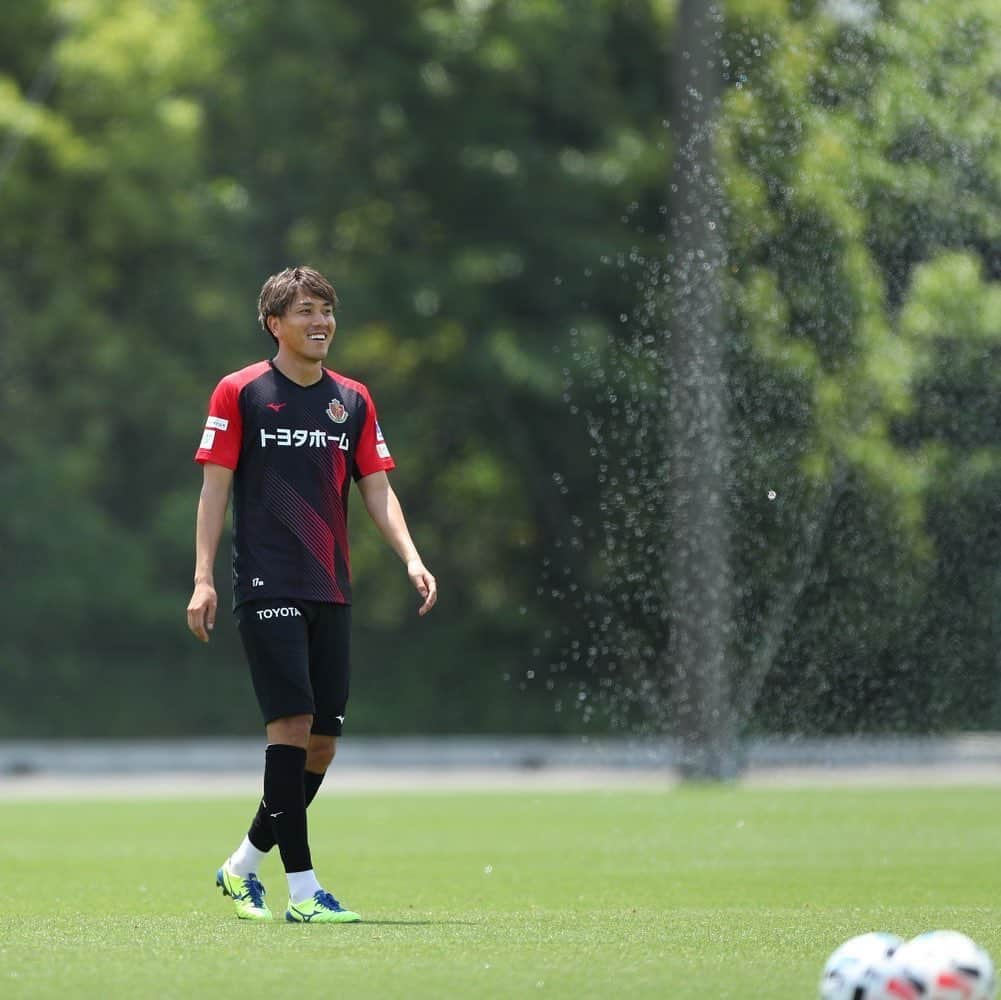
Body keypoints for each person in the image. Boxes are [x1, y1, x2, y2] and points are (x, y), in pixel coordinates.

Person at [186, 265, 436, 924]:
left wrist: (410, 556)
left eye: (325, 310)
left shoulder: (351, 399)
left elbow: (376, 486)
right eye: (304, 311)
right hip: (266, 582)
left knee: (321, 743)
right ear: (275, 323)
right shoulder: (240, 391)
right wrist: (203, 577)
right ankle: (303, 892)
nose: (319, 322)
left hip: (329, 585)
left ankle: (242, 865)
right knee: (290, 728)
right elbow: (214, 488)